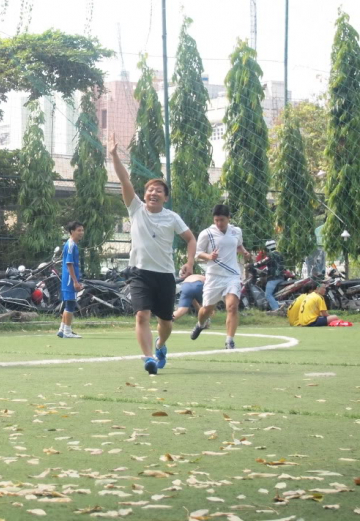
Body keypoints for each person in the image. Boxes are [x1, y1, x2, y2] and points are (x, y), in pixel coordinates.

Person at [109, 134, 197, 375]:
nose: (153, 193)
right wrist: (114, 155)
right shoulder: (136, 209)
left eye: (159, 191)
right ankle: (148, 358)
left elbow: (191, 239)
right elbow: (125, 180)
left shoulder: (172, 217)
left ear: (165, 198)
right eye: (150, 190)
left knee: (166, 323)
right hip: (139, 273)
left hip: (165, 275)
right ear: (144, 195)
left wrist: (190, 262)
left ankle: (160, 345)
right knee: (141, 315)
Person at [190, 205, 251, 349]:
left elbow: (239, 246)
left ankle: (229, 340)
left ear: (228, 218)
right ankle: (201, 324)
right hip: (214, 277)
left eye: (222, 220)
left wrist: (245, 253)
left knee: (232, 306)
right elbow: (198, 253)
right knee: (206, 310)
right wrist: (209, 256)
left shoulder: (236, 231)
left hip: (232, 275)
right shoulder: (207, 233)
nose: (219, 223)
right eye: (216, 220)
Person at [58, 221, 85, 339]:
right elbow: (69, 264)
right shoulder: (71, 245)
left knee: (68, 304)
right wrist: (75, 281)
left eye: (82, 230)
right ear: (71, 232)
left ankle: (62, 329)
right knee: (71, 304)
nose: (81, 233)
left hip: (69, 279)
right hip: (69, 280)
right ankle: (67, 332)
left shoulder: (73, 244)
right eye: (79, 230)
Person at [263, 240, 285, 311]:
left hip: (274, 278)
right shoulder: (280, 254)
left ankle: (276, 310)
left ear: (267, 247)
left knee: (268, 295)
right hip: (281, 277)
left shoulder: (270, 255)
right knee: (272, 294)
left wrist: (252, 265)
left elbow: (262, 262)